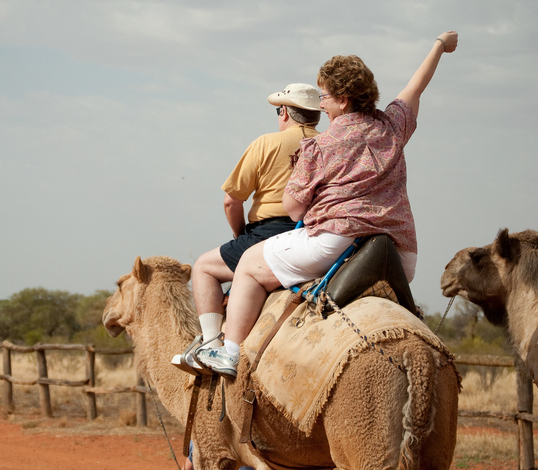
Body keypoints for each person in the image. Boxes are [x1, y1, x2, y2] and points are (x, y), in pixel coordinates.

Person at [195, 31, 459, 378]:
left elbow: (292, 207)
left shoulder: (321, 145)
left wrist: (309, 206)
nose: (322, 105)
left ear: (344, 100)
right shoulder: (392, 126)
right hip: (400, 255)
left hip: (336, 242)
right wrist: (439, 46)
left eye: (325, 97)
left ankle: (228, 353)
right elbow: (415, 87)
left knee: (247, 264)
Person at [172, 83, 322, 372]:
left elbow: (231, 201)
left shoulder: (265, 143)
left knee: (203, 267)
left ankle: (212, 346)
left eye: (279, 110)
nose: (279, 115)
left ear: (286, 113)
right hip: (313, 237)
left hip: (268, 234)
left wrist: (239, 235)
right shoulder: (329, 144)